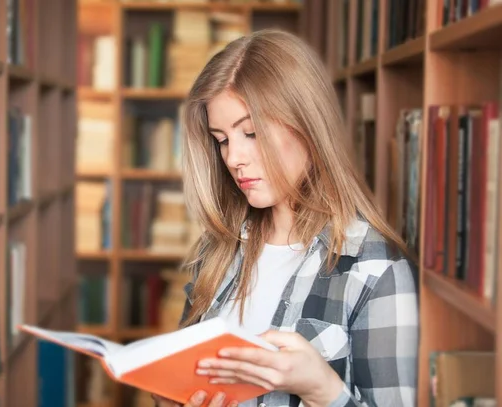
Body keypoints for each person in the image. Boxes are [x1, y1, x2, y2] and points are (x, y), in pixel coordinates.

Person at [151, 29, 419, 407]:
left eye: (251, 132)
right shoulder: (218, 249)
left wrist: (320, 389)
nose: (233, 158)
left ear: (307, 125)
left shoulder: (376, 271)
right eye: (222, 139)